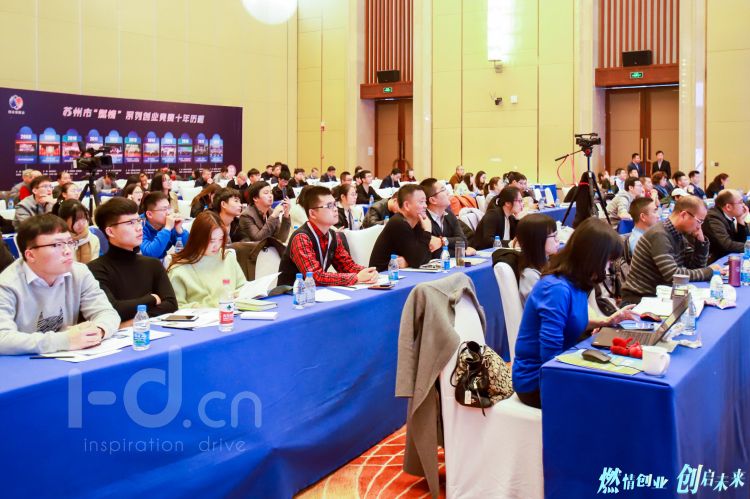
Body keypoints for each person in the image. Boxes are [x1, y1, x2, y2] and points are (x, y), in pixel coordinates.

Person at [513, 218, 636, 408]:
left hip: (556, 371)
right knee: (615, 395)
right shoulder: (556, 289)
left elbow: (570, 321)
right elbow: (550, 357)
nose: (607, 267)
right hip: (536, 382)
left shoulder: (574, 282)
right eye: (607, 261)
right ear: (593, 258)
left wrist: (605, 322)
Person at [0, 214, 120, 355]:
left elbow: (106, 312)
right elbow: (2, 338)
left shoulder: (79, 272)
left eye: (69, 242)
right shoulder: (7, 284)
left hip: (67, 358)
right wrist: (64, 340)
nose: (68, 251)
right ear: (30, 255)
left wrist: (98, 330)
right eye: (56, 245)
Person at [88, 198, 177, 322]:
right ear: (110, 231)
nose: (139, 228)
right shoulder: (95, 269)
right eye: (130, 223)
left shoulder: (153, 264)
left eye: (139, 221)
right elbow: (113, 310)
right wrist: (152, 299)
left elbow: (171, 305)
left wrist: (135, 321)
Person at [622, 195, 717, 304]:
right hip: (639, 299)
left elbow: (696, 266)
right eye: (699, 221)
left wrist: (701, 242)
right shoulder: (659, 234)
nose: (699, 227)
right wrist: (709, 271)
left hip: (660, 296)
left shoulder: (677, 233)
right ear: (684, 215)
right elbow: (673, 275)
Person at [278, 186, 379, 287]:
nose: (335, 209)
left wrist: (368, 272)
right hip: (291, 293)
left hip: (316, 292)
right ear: (312, 213)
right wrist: (356, 277)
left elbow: (347, 266)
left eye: (335, 204)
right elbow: (314, 277)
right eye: (329, 206)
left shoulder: (332, 235)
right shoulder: (301, 238)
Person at [167, 211, 247, 308]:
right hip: (200, 316)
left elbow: (243, 288)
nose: (217, 245)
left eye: (220, 239)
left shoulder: (227, 257)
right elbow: (176, 306)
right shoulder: (179, 268)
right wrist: (198, 308)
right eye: (212, 241)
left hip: (233, 312)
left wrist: (237, 297)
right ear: (198, 238)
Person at [369, 184, 438, 271]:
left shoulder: (416, 223)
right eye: (421, 202)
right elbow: (418, 260)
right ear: (406, 206)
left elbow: (427, 256)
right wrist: (427, 231)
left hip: (400, 273)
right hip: (383, 275)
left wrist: (408, 262)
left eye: (425, 201)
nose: (425, 206)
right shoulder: (398, 223)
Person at [420, 178, 475, 257]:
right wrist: (462, 252)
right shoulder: (424, 219)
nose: (448, 192)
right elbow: (433, 253)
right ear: (433, 200)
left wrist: (443, 241)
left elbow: (463, 242)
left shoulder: (449, 214)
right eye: (443, 190)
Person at [514, 214, 558, 304]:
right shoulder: (530, 276)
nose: (557, 240)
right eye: (554, 236)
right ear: (538, 240)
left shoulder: (547, 263)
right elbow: (544, 308)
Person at [702, 189, 749, 262]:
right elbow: (726, 245)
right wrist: (748, 247)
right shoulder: (713, 218)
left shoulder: (726, 215)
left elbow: (740, 241)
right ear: (728, 207)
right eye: (741, 202)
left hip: (722, 256)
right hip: (711, 261)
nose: (744, 205)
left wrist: (740, 220)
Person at [141, 191, 189, 259]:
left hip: (163, 262)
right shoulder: (139, 226)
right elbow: (150, 254)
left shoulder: (169, 224)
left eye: (169, 208)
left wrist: (180, 231)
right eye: (164, 209)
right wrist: (167, 228)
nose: (168, 213)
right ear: (149, 214)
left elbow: (190, 248)